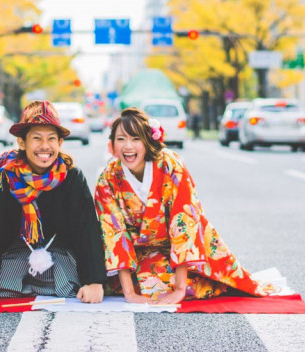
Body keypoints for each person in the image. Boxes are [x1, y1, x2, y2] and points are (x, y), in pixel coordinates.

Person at [94, 107, 284, 304]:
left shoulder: (169, 165)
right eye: (121, 139)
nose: (128, 146)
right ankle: (138, 285)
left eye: (136, 139)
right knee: (139, 285)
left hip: (185, 243)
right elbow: (114, 233)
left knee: (211, 280)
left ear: (148, 140)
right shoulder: (107, 179)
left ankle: (185, 282)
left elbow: (184, 219)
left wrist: (180, 289)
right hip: (141, 252)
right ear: (112, 144)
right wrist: (129, 294)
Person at [0, 100, 106, 306]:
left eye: (52, 139)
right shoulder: (1, 176)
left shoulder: (72, 177)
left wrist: (93, 281)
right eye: (36, 138)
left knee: (69, 283)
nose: (45, 146)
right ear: (22, 143)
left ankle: (35, 283)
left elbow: (86, 228)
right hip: (13, 253)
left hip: (57, 254)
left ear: (60, 143)